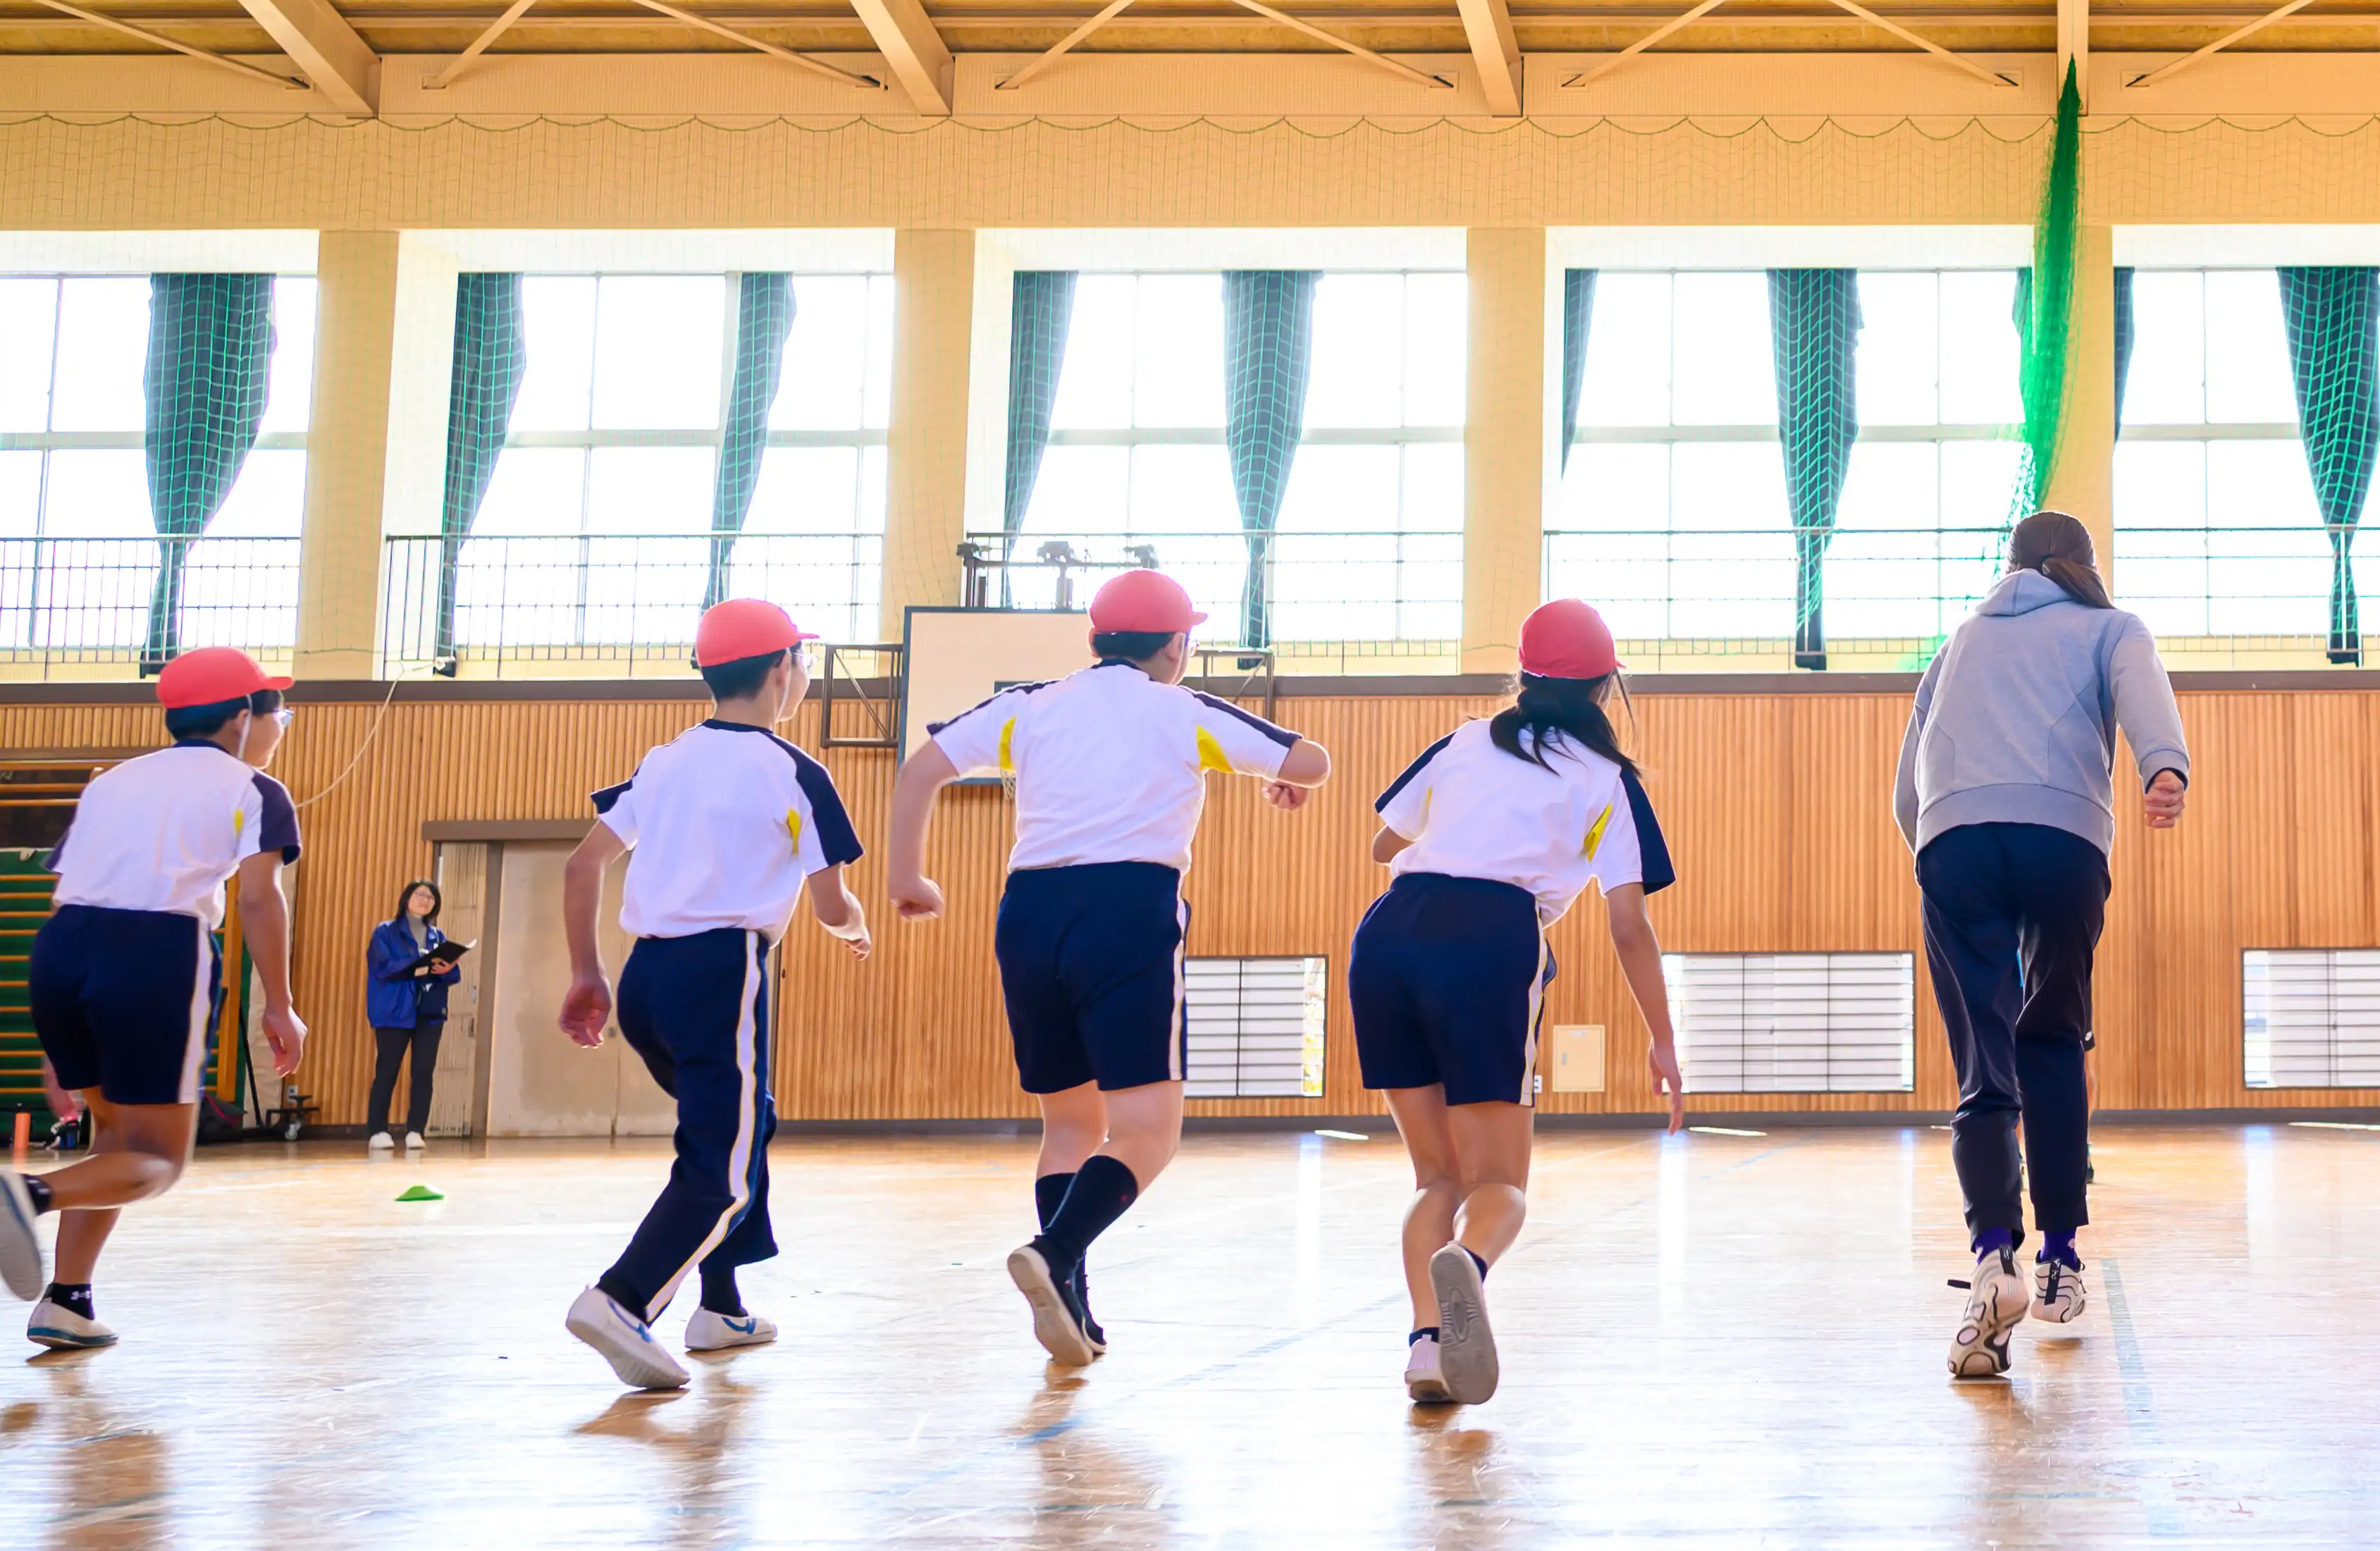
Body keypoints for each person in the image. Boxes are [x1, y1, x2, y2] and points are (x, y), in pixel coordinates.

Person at [886, 567, 1330, 1369]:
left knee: (1071, 1125)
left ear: (1095, 641)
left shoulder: (1031, 704)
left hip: (1027, 914)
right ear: (1177, 646)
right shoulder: (1180, 708)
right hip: (1126, 909)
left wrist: (906, 877)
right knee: (1149, 1130)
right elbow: (1314, 761)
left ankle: (1072, 1304)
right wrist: (1281, 782)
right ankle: (1055, 1254)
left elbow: (922, 768)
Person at [1353, 598, 1687, 1404]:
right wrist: (1663, 1039)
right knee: (1499, 1182)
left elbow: (1382, 844)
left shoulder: (1465, 738)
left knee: (1437, 1178)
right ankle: (1467, 1266)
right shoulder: (1607, 778)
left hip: (1390, 932)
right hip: (1491, 936)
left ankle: (1427, 1349)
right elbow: (1628, 925)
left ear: (1524, 676)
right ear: (1608, 685)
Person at [1892, 508, 2189, 1384]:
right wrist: (2161, 769)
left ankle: (1994, 1258)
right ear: (2085, 565)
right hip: (2066, 840)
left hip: (1955, 841)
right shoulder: (2111, 626)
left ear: (2010, 564)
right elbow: (2146, 699)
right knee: (2052, 1038)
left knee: (1986, 1062)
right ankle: (2059, 1256)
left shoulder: (1960, 640)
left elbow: (1909, 778)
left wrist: (1935, 851)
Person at [556, 600, 875, 1392]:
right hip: (721, 976)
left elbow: (581, 865)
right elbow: (832, 903)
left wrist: (587, 972)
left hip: (644, 980)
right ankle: (621, 1299)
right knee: (721, 1165)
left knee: (744, 1125)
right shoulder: (793, 769)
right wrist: (856, 926)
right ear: (783, 670)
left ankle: (721, 1306)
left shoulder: (663, 761)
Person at [3, 645, 307, 1351]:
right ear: (242, 718)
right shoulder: (256, 789)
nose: (282, 722)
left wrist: (61, 1044)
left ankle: (67, 1299)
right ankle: (26, 1195)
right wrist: (279, 1004)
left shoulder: (111, 783)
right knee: (159, 1160)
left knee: (114, 1137)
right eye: (277, 709)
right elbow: (260, 901)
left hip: (62, 950)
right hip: (154, 952)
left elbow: (71, 893)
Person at [362, 880, 467, 1156]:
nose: (425, 900)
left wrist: (446, 968)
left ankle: (415, 1130)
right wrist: (419, 967)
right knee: (387, 1071)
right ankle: (378, 1130)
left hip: (430, 1012)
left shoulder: (437, 936)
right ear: (406, 898)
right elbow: (383, 968)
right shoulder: (386, 932)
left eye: (431, 898)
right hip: (394, 1012)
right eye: (420, 895)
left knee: (423, 1072)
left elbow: (454, 976)